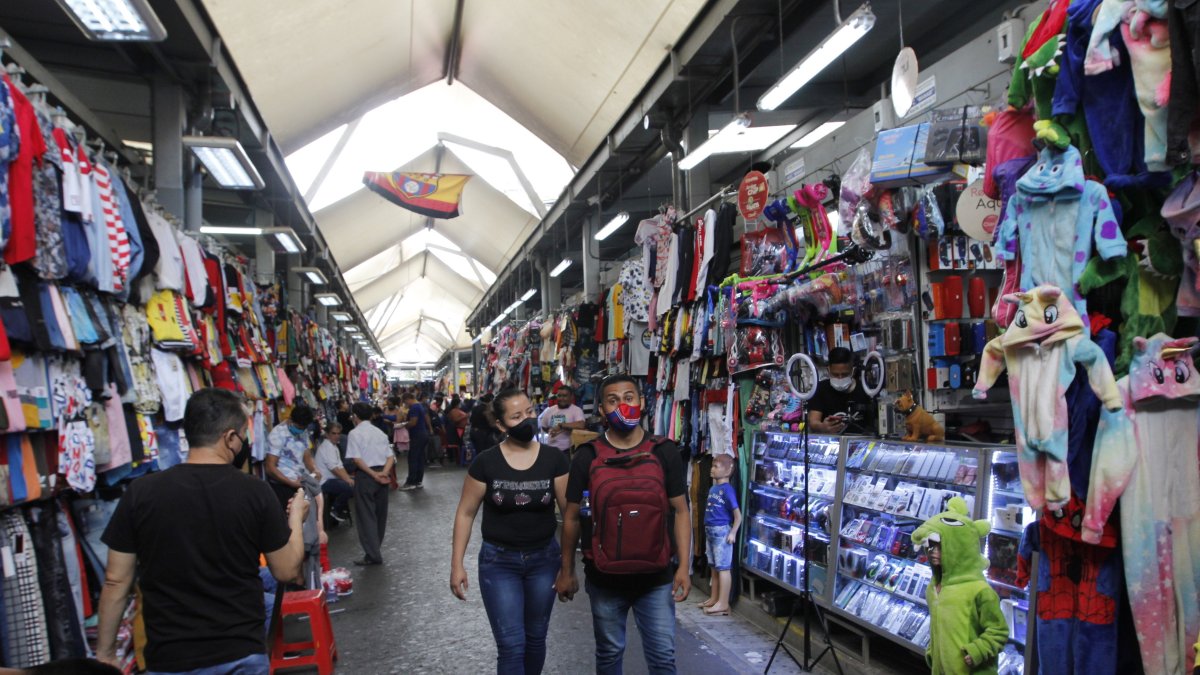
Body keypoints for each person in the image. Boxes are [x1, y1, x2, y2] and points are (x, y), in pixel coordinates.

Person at [96, 388, 308, 674]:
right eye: (243, 435)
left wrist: (106, 653)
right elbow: (286, 570)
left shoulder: (140, 493)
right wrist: (295, 517)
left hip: (170, 657)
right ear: (230, 437)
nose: (244, 442)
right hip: (240, 653)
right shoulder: (254, 492)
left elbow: (115, 581)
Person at [558, 373, 691, 674]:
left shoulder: (664, 452)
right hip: (605, 579)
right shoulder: (587, 457)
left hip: (655, 578)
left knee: (662, 657)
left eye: (629, 398)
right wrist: (566, 571)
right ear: (602, 410)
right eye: (613, 400)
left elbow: (681, 511)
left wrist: (683, 566)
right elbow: (570, 517)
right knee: (609, 654)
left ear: (642, 403)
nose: (622, 406)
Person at [450, 389, 570, 675]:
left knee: (535, 638)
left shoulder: (554, 459)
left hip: (544, 560)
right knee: (511, 644)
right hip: (498, 562)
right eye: (516, 416)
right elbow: (466, 513)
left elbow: (570, 516)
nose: (527, 419)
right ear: (501, 425)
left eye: (529, 412)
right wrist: (457, 565)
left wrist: (568, 568)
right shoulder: (486, 463)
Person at [913, 497, 1008, 674]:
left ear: (959, 547)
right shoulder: (934, 588)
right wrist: (932, 652)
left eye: (941, 547)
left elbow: (999, 631)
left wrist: (977, 651)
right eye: (931, 547)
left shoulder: (980, 590)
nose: (934, 552)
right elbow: (938, 627)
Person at [346, 401, 394, 566]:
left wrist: (373, 474)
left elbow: (357, 460)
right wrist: (384, 473)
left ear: (355, 416)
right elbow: (390, 457)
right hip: (382, 475)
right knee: (380, 515)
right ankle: (375, 550)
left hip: (366, 476)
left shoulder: (354, 434)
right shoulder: (380, 433)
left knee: (366, 515)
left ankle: (373, 554)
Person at [699, 454, 741, 616]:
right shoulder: (714, 488)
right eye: (713, 466)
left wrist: (733, 533)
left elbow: (738, 515)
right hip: (710, 530)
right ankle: (714, 598)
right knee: (714, 567)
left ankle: (723, 602)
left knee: (723, 567)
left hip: (722, 531)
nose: (712, 469)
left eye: (716, 466)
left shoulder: (727, 490)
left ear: (728, 470)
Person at [807, 347, 874, 434]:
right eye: (835, 374)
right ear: (828, 370)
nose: (840, 378)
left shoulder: (865, 389)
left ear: (852, 371)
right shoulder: (821, 389)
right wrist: (822, 427)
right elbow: (813, 421)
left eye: (845, 374)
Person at [265, 404, 319, 509]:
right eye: (299, 427)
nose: (301, 430)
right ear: (290, 420)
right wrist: (291, 483)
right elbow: (270, 467)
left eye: (303, 428)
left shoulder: (304, 431)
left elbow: (306, 455)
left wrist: (314, 469)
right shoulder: (277, 434)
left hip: (300, 483)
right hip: (283, 486)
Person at [314, 422, 353, 524]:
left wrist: (348, 478)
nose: (337, 436)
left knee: (354, 483)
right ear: (327, 434)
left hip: (332, 479)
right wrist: (347, 479)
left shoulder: (333, 446)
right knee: (350, 487)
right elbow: (334, 469)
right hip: (324, 482)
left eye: (338, 433)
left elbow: (340, 466)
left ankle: (340, 508)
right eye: (333, 433)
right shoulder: (327, 447)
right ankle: (336, 510)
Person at [537, 387, 586, 453]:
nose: (561, 398)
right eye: (559, 396)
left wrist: (561, 425)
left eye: (564, 396)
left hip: (568, 451)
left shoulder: (576, 410)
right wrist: (552, 431)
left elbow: (581, 425)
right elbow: (544, 427)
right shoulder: (550, 410)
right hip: (552, 450)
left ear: (571, 397)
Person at [400, 392, 432, 490]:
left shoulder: (414, 407)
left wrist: (404, 425)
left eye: (405, 402)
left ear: (408, 399)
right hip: (423, 434)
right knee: (420, 458)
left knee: (413, 458)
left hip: (417, 435)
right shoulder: (420, 406)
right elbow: (426, 418)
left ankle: (411, 482)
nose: (406, 404)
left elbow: (413, 422)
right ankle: (418, 481)